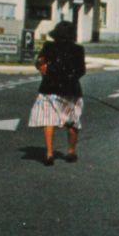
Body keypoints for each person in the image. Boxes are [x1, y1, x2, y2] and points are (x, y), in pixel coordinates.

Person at [29, 19, 86, 166]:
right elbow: (81, 71)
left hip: (49, 88)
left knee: (48, 120)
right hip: (71, 90)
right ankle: (71, 151)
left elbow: (39, 63)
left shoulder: (48, 46)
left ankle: (49, 153)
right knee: (72, 122)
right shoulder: (78, 49)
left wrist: (44, 68)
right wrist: (69, 78)